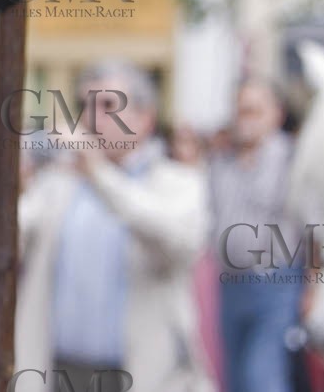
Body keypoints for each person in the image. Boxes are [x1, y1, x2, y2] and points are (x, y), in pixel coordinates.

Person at [15, 61, 215, 392]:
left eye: (108, 106)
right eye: (86, 107)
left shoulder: (178, 183)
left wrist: (97, 173)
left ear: (145, 117)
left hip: (145, 377)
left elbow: (175, 240)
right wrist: (7, 177)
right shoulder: (59, 183)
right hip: (59, 373)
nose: (94, 119)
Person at [208, 79, 302, 392]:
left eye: (253, 110)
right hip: (231, 284)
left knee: (262, 376)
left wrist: (315, 284)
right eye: (240, 110)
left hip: (276, 283)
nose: (244, 118)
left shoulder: (292, 159)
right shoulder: (222, 160)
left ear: (276, 113)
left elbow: (314, 227)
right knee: (233, 376)